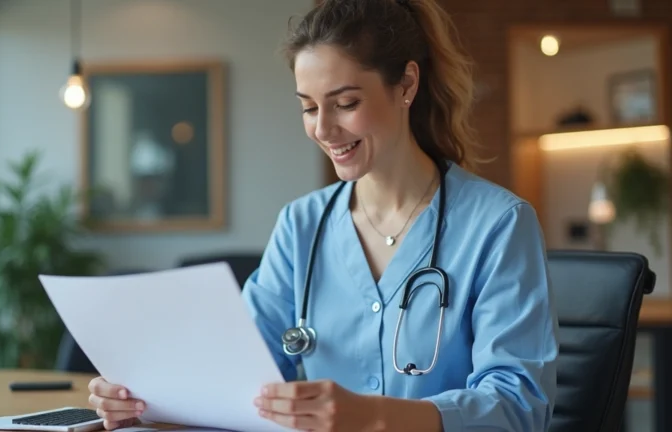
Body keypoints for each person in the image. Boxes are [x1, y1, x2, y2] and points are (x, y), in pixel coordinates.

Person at [87, 0, 559, 430]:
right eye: (309, 108)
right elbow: (236, 375)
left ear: (407, 85)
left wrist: (372, 416)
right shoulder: (301, 226)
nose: (324, 129)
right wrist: (143, 399)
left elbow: (518, 406)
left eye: (346, 103)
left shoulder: (498, 225)